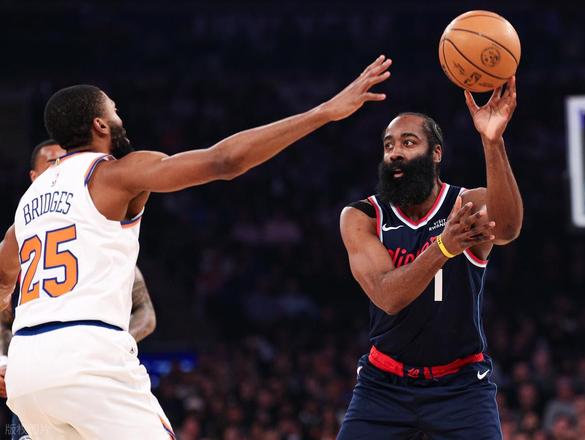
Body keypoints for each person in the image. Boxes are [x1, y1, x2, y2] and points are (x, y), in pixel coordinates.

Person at [0, 55, 392, 439]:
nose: (121, 117)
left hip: (25, 368)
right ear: (100, 124)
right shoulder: (114, 173)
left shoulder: (28, 201)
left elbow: (3, 278)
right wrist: (324, 112)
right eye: (114, 110)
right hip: (86, 355)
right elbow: (224, 161)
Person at [338, 77, 523, 439]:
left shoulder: (466, 204)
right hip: (384, 384)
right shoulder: (363, 216)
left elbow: (508, 228)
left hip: (461, 385)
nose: (395, 152)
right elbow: (388, 296)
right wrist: (444, 247)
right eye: (389, 145)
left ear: (436, 153)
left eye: (408, 142)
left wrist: (492, 142)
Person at [0, 140, 157, 440]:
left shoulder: (97, 233)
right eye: (53, 162)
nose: (63, 165)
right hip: (37, 368)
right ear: (34, 177)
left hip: (78, 364)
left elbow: (146, 313)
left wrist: (109, 340)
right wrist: (3, 360)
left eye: (66, 159)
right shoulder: (21, 234)